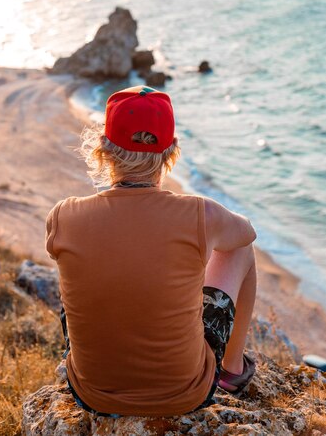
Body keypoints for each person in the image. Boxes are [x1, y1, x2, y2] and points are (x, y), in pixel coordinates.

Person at [45, 85, 257, 417]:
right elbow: (247, 232)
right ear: (171, 152)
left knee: (86, 273)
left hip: (91, 394)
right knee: (242, 251)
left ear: (103, 148)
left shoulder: (63, 215)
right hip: (185, 395)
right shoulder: (202, 214)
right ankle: (231, 370)